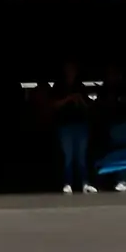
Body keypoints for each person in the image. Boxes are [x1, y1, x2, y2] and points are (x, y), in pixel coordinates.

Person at [50, 63, 97, 193]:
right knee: (68, 156)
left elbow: (89, 105)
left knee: (81, 155)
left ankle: (85, 183)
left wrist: (80, 99)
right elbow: (54, 104)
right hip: (65, 125)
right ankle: (67, 183)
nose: (71, 72)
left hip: (81, 124)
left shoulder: (80, 86)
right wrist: (68, 99)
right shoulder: (59, 86)